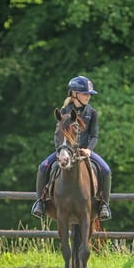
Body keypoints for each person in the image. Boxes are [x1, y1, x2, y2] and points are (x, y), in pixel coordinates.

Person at [31, 75, 113, 221]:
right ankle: (40, 202)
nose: (88, 97)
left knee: (106, 170)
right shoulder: (64, 111)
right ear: (74, 94)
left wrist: (88, 149)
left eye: (89, 94)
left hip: (84, 152)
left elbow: (94, 136)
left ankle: (103, 205)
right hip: (65, 150)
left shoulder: (92, 113)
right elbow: (58, 135)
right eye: (85, 94)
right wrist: (60, 150)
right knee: (43, 167)